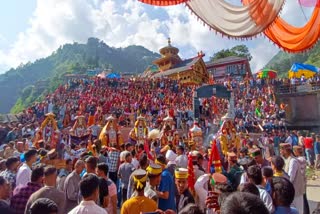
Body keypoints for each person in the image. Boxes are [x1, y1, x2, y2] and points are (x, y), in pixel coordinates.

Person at [280, 143, 305, 214]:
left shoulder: (292, 161)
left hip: (295, 192)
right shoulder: (287, 160)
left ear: (285, 151)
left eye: (281, 150)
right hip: (291, 191)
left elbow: (290, 178)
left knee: (298, 211)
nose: (280, 152)